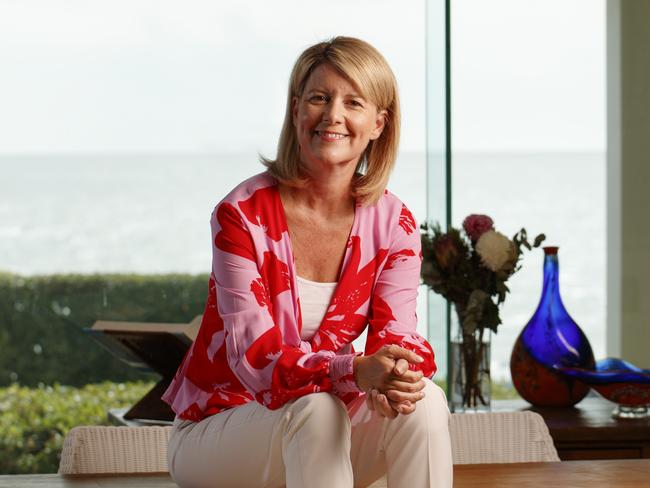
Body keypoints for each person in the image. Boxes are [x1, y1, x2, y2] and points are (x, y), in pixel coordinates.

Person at [162, 36, 453, 487]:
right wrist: (355, 370)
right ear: (297, 109)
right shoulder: (241, 215)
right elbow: (256, 361)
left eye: (353, 102)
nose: (333, 114)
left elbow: (398, 332)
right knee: (317, 411)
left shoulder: (395, 223)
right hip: (219, 430)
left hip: (322, 420)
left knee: (426, 403)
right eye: (319, 97)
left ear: (378, 123)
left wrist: (398, 374)